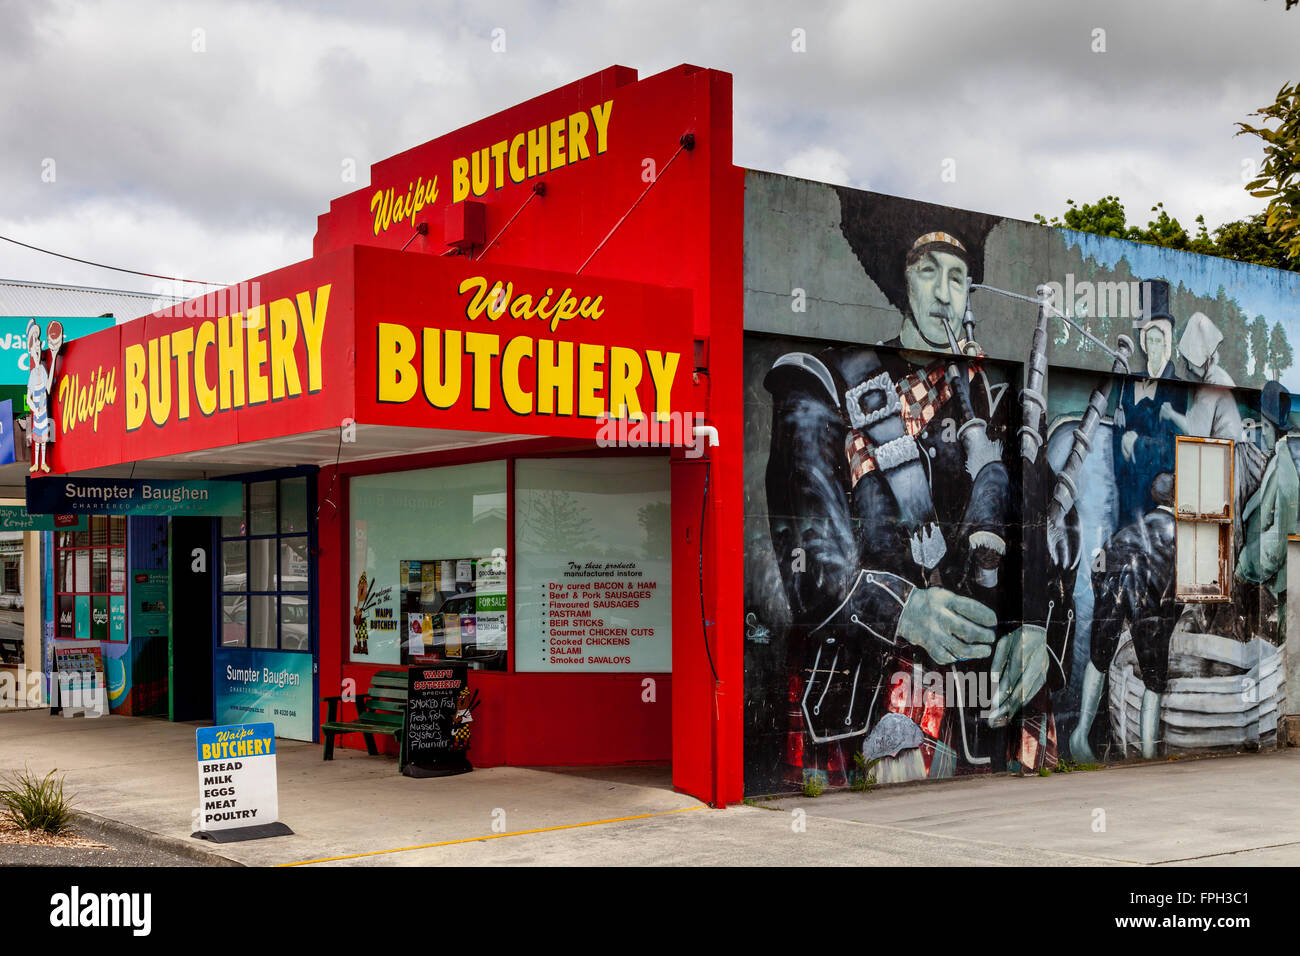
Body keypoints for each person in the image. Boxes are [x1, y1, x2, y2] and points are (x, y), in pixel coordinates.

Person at [764, 228, 1057, 787]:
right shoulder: (823, 381)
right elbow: (811, 560)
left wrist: (1035, 625)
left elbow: (1035, 527)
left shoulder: (999, 401)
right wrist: (905, 609)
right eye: (929, 271)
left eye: (958, 278)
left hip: (983, 713)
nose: (945, 295)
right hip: (861, 702)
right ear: (902, 283)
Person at [1069, 473, 1179, 762]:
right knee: (1154, 681)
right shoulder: (1177, 532)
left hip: (1113, 590)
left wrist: (1108, 601)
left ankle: (1081, 731)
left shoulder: (1130, 530)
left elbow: (1098, 563)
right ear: (1176, 498)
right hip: (1149, 605)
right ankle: (1148, 752)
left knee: (1098, 659)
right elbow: (1180, 582)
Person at [1113, 279, 1185, 527]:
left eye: (1160, 341)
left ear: (1168, 343)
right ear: (1143, 342)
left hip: (1157, 494)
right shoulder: (1129, 384)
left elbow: (1174, 445)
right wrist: (1122, 442)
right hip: (1128, 488)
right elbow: (1117, 428)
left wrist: (1137, 443)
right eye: (1150, 341)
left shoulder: (1175, 388)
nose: (1155, 348)